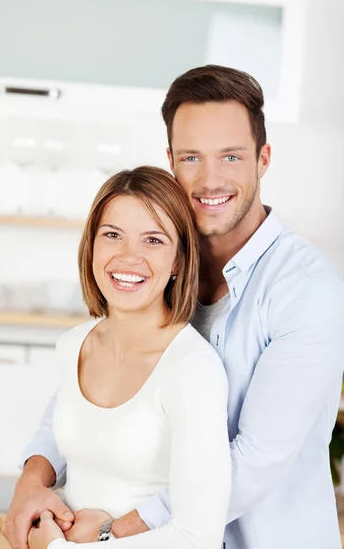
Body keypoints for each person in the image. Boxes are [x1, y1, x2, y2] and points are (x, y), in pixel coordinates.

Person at [3, 65, 344, 549]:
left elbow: (255, 459)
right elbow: (85, 386)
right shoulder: (162, 264)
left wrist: (111, 530)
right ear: (171, 161)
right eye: (192, 157)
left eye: (231, 157)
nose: (210, 180)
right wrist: (32, 482)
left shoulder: (309, 292)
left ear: (263, 159)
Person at [24, 166, 231, 549]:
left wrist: (56, 547)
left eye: (152, 240)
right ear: (91, 246)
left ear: (178, 262)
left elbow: (196, 536)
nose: (128, 256)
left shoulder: (191, 369)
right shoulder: (73, 346)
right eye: (112, 235)